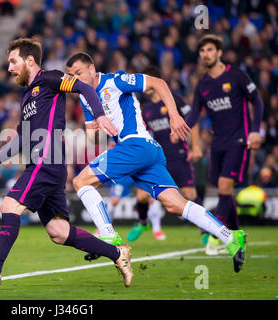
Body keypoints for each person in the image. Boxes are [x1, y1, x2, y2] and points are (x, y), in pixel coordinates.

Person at [0, 38, 134, 287]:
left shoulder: (51, 78)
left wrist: (99, 116)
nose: (10, 68)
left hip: (46, 161)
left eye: (13, 61)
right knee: (58, 232)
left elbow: (86, 89)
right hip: (45, 166)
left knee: (9, 205)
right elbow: (21, 137)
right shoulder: (26, 99)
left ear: (29, 60)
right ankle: (118, 254)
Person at [65, 52, 246, 273]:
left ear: (92, 69)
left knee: (80, 182)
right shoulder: (84, 96)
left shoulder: (115, 80)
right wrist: (93, 132)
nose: (74, 78)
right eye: (70, 75)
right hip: (148, 151)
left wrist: (174, 115)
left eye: (78, 73)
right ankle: (230, 236)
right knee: (175, 204)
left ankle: (108, 236)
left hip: (136, 145)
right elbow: (93, 135)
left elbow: (158, 83)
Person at [186, 34, 264, 255]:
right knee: (224, 191)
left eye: (210, 50)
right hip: (217, 143)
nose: (206, 54)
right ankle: (237, 234)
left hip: (238, 140)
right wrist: (180, 127)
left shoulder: (237, 75)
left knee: (223, 187)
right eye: (202, 51)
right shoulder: (203, 84)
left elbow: (256, 101)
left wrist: (256, 131)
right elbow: (194, 113)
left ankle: (216, 237)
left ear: (219, 52)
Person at [125, 65, 205, 244]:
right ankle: (142, 222)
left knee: (189, 194)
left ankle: (206, 230)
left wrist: (196, 146)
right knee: (142, 195)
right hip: (157, 158)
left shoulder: (172, 99)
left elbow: (193, 120)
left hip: (178, 155)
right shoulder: (146, 108)